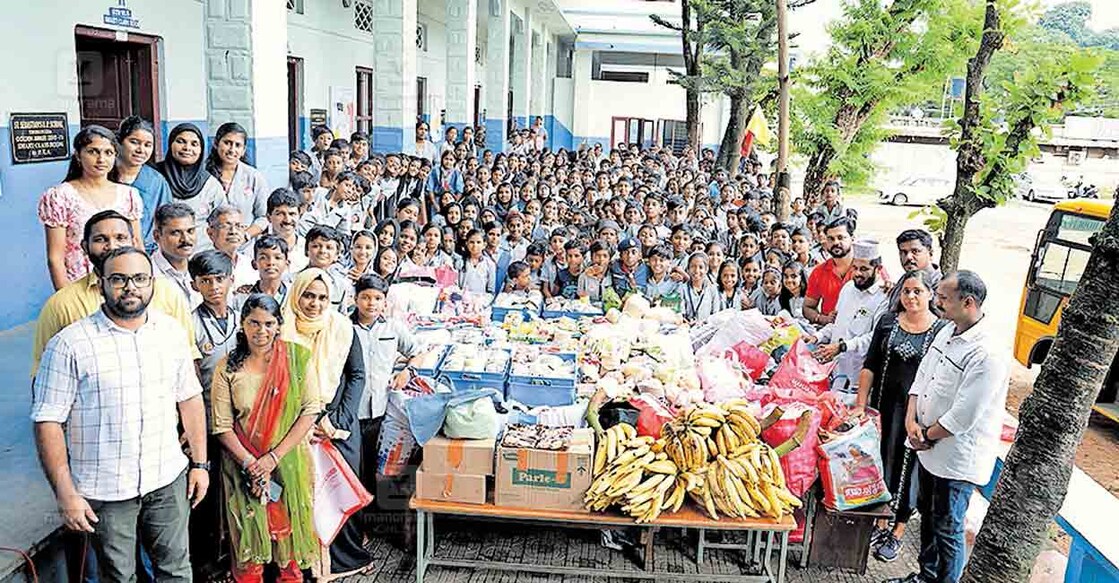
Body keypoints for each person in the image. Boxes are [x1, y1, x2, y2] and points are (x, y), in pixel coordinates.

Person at [32, 246, 208, 583]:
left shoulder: (170, 333)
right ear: (101, 283)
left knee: (176, 571)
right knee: (118, 578)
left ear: (152, 282)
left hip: (167, 479)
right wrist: (65, 491)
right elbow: (48, 421)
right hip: (105, 490)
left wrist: (199, 464)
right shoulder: (70, 345)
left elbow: (189, 399)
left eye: (140, 278)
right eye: (119, 279)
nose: (131, 287)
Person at [887, 271, 1010, 583]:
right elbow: (923, 375)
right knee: (927, 517)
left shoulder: (987, 352)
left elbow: (963, 415)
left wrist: (925, 435)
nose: (936, 302)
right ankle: (925, 576)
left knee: (948, 527)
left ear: (968, 302)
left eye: (942, 298)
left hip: (955, 459)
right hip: (925, 446)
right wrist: (910, 420)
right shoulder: (947, 331)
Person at [210, 294, 320, 582]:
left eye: (269, 323)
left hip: (288, 464)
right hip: (243, 466)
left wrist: (273, 458)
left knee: (289, 549)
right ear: (242, 324)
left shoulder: (297, 359)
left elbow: (310, 410)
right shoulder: (228, 367)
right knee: (248, 546)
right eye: (254, 323)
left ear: (279, 325)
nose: (261, 331)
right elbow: (221, 425)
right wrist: (252, 464)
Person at [31, 210, 197, 375]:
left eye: (120, 238)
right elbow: (44, 375)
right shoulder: (62, 304)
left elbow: (188, 360)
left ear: (133, 242)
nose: (111, 246)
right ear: (84, 247)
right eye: (100, 239)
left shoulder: (167, 293)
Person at [281, 269, 369, 578]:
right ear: (296, 294)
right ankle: (305, 562)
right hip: (293, 424)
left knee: (337, 491)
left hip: (337, 424)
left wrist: (338, 418)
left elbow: (357, 375)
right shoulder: (283, 329)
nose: (315, 304)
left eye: (322, 298)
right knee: (303, 494)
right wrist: (300, 422)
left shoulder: (342, 328)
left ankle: (343, 559)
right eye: (308, 295)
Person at [856, 270, 948, 564]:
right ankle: (880, 523)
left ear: (931, 294)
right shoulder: (887, 323)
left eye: (917, 292)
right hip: (883, 407)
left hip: (917, 414)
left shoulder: (941, 332)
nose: (910, 297)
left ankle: (898, 530)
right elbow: (870, 365)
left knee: (910, 471)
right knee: (882, 462)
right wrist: (861, 404)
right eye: (906, 291)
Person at [39, 125, 143, 289]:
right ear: (78, 156)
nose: (101, 159)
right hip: (80, 285)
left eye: (108, 153)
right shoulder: (60, 196)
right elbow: (55, 258)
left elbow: (137, 246)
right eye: (93, 151)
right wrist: (67, 299)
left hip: (122, 286)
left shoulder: (128, 195)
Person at [807, 238, 888, 405]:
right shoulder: (848, 288)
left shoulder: (884, 297)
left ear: (878, 269)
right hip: (836, 370)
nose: (857, 273)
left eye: (864, 269)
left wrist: (842, 346)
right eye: (855, 268)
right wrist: (817, 336)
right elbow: (838, 325)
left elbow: (875, 338)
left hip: (859, 378)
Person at [156, 123, 227, 251]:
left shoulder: (210, 184)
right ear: (171, 143)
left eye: (194, 144)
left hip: (201, 254)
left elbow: (223, 221)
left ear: (201, 149)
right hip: (161, 255)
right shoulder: (155, 177)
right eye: (181, 141)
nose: (187, 148)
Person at [112, 116, 172, 253]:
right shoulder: (105, 175)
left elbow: (167, 219)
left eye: (147, 145)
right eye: (134, 142)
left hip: (146, 251)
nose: (141, 150)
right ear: (119, 142)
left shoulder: (156, 181)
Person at [206, 122, 271, 239]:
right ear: (216, 143)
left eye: (238, 145)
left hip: (244, 248)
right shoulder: (204, 176)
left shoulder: (253, 177)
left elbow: (264, 216)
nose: (232, 149)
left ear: (244, 150)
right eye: (227, 143)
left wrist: (245, 235)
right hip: (209, 248)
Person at [803, 217, 856, 327]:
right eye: (831, 239)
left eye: (841, 237)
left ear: (852, 238)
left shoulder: (868, 268)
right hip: (828, 332)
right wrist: (822, 319)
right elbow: (808, 307)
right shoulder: (819, 272)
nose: (836, 242)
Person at [152, 202, 203, 308]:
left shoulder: (202, 268)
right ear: (157, 236)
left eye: (190, 231)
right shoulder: (149, 274)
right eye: (176, 233)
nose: (185, 239)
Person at [890, 229, 943, 312]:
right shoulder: (903, 280)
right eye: (904, 252)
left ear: (930, 253)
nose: (908, 257)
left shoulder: (942, 289)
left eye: (915, 251)